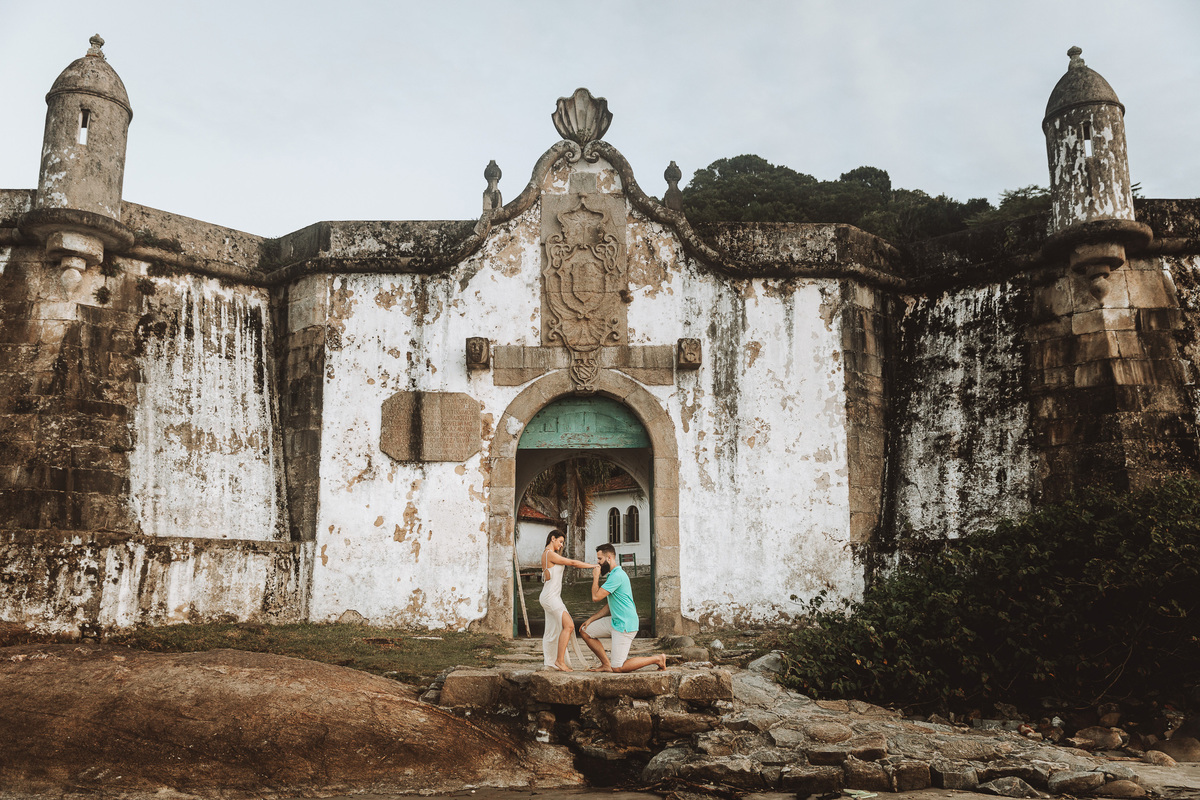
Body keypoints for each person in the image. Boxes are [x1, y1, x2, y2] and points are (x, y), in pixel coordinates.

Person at [579, 543, 667, 672]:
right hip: (615, 621)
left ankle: (658, 659)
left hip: (625, 624)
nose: (598, 562)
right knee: (585, 631)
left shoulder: (617, 576)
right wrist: (591, 619)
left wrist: (596, 576)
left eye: (600, 559)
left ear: (609, 558)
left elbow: (596, 597)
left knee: (618, 668)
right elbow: (609, 606)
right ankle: (606, 664)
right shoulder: (612, 575)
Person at [539, 530, 596, 672]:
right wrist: (592, 566)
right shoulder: (549, 554)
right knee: (569, 625)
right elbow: (572, 562)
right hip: (550, 597)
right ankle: (559, 661)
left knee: (553, 630)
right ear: (552, 538)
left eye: (563, 543)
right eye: (560, 541)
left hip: (552, 596)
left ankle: (552, 662)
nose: (561, 545)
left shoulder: (548, 554)